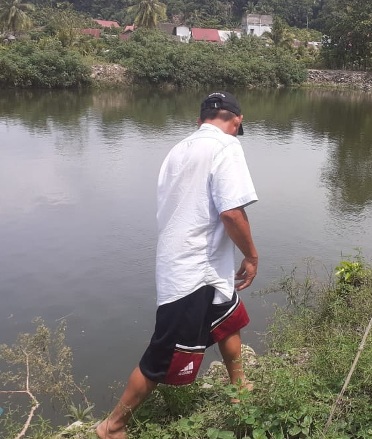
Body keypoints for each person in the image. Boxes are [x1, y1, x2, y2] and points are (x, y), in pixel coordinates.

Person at [97, 91, 258, 439]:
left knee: (228, 320)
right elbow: (231, 212)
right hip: (192, 270)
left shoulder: (178, 150)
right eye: (237, 126)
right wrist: (251, 255)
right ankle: (112, 426)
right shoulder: (227, 147)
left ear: (200, 119)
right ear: (237, 121)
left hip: (197, 263)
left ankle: (240, 389)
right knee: (163, 352)